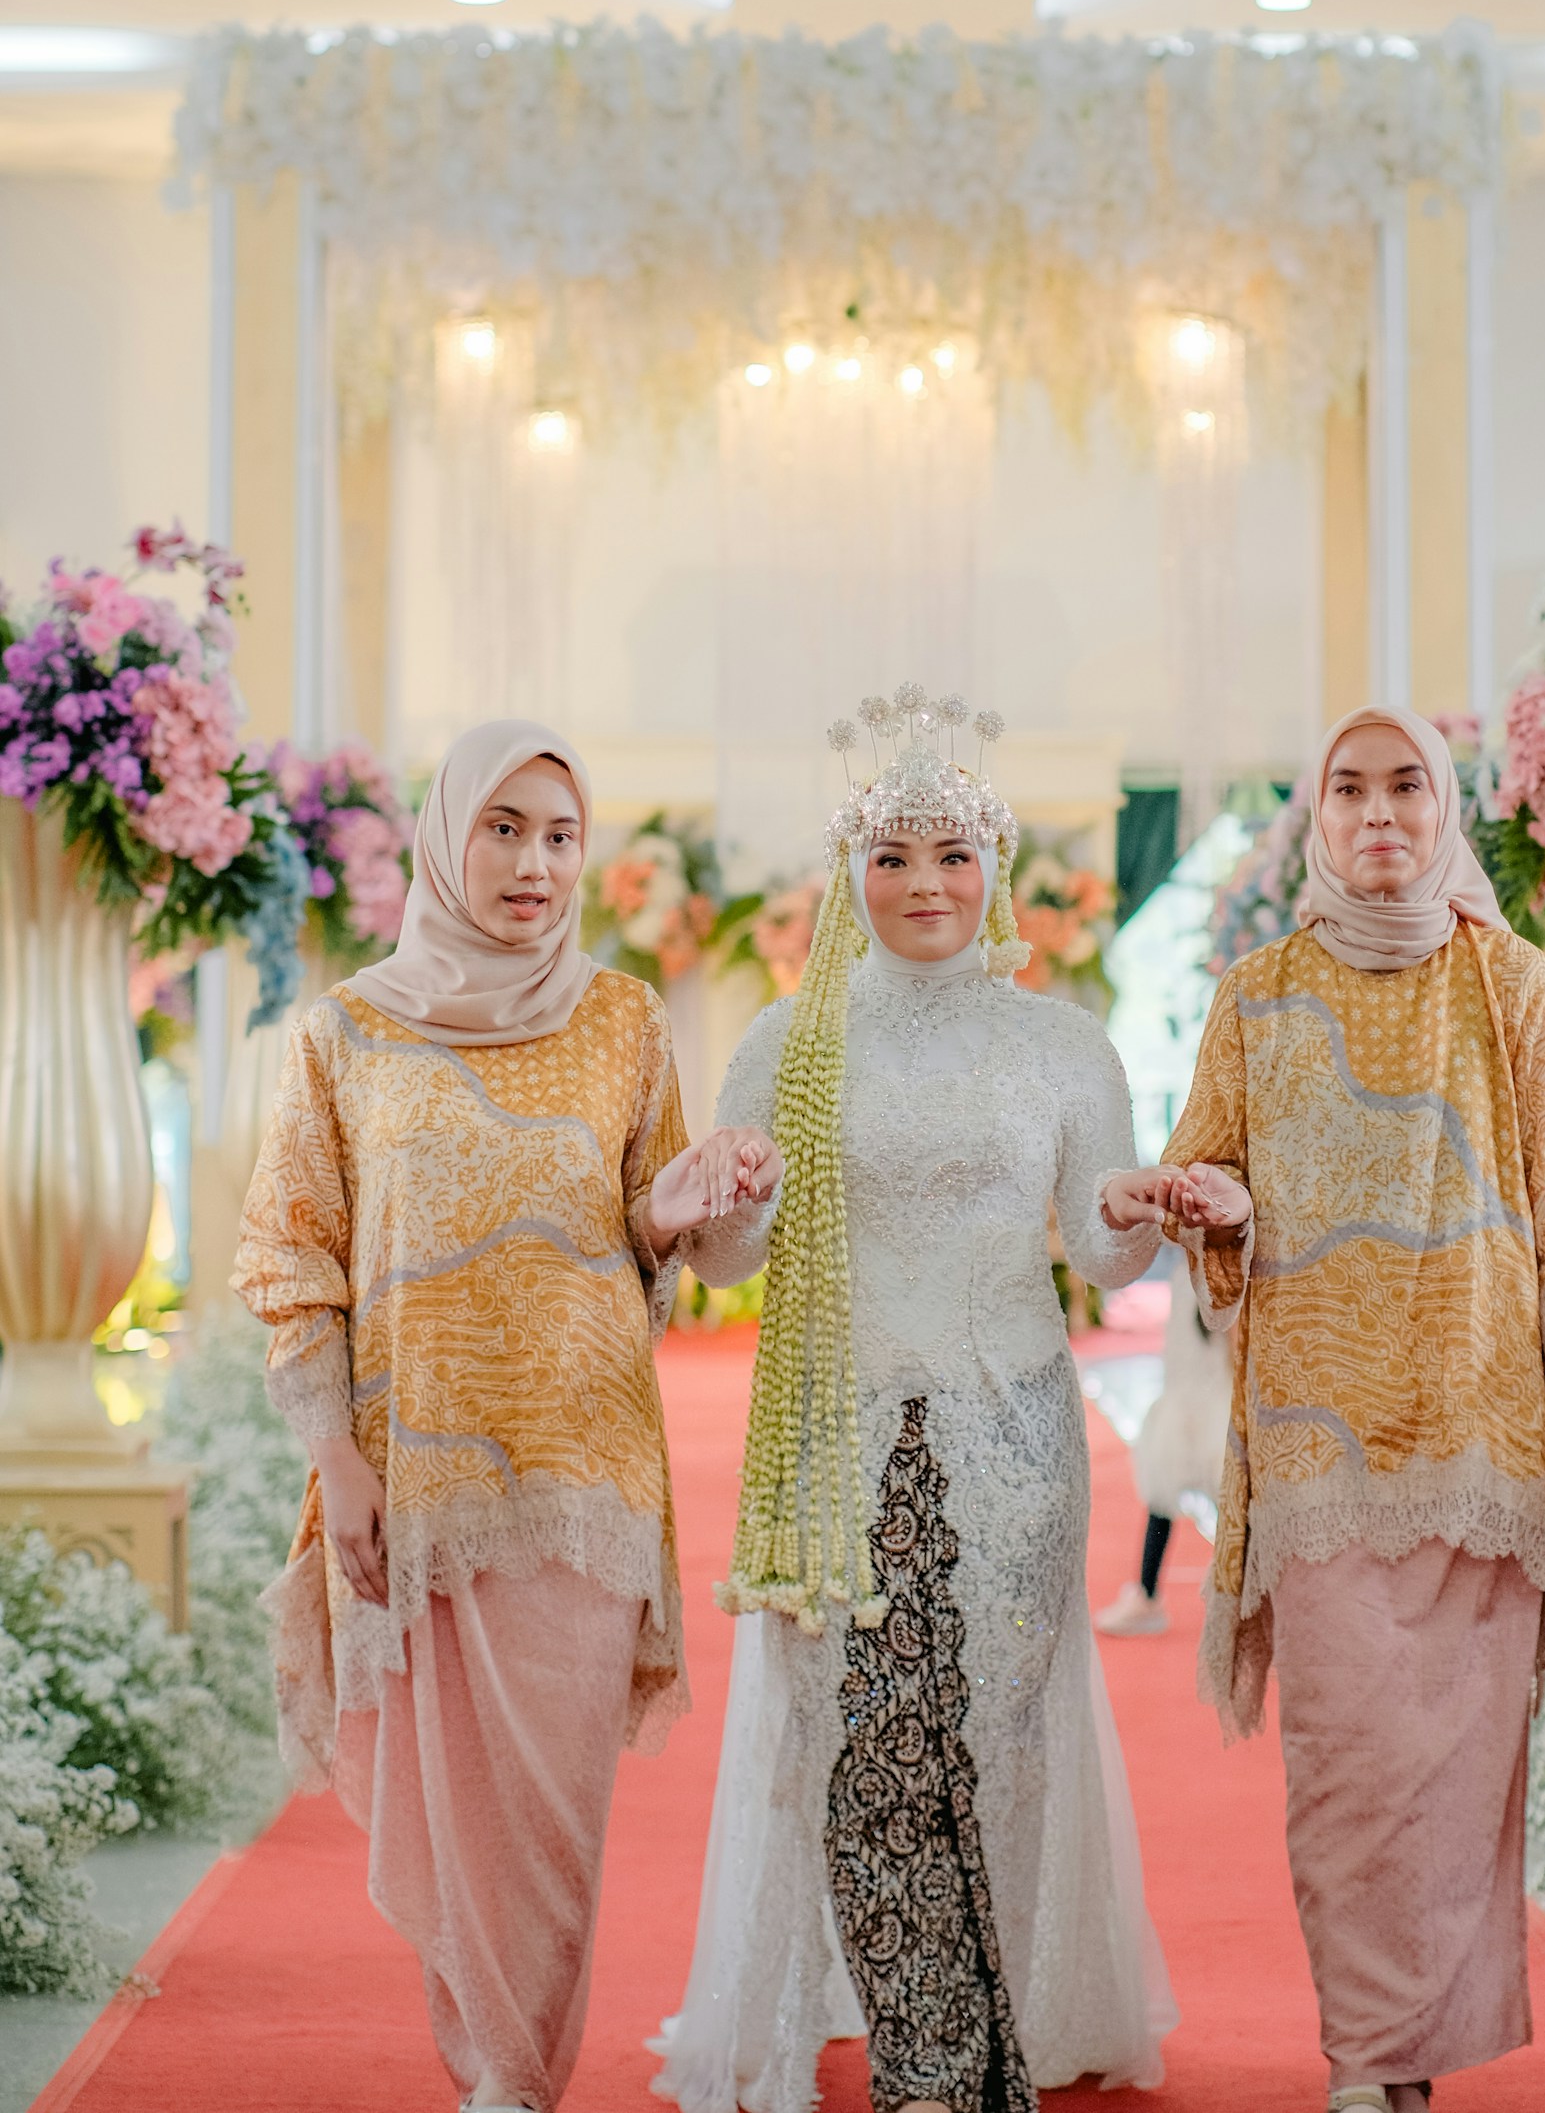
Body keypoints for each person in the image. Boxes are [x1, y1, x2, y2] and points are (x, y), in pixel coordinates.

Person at [235, 721, 781, 2113]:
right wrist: (337, 1461)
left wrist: (705, 1190)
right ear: (446, 833)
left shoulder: (624, 1016)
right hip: (414, 1478)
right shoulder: (345, 1029)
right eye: (505, 826)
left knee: (549, 1819)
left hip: (583, 1469)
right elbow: (293, 1255)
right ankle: (496, 2073)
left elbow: (658, 1220)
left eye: (559, 834)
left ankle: (512, 2080)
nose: (534, 861)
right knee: (450, 1802)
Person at [653, 692, 1179, 2113]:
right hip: (835, 1435)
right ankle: (926, 2050)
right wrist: (720, 1202)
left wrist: (1139, 1205)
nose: (925, 883)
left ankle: (986, 2006)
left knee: (993, 1732)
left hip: (1011, 1435)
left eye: (952, 851)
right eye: (892, 855)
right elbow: (730, 1261)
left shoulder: (1066, 1048)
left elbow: (1104, 1243)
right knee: (865, 1730)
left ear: (995, 866)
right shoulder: (787, 1039)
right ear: (850, 873)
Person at [1158, 705, 1545, 2113]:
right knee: (1350, 1766)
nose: (1378, 811)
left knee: (1454, 1770)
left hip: (1484, 1441)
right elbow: (1202, 1178)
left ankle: (1404, 2053)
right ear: (1315, 810)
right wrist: (1210, 1207)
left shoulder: (1515, 986)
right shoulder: (1257, 991)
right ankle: (1368, 2052)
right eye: (1349, 786)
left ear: (1444, 806)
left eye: (1405, 783)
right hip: (1318, 1444)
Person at [1094, 1277, 1233, 1638]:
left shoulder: (1219, 1276)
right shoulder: (1190, 1278)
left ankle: (1250, 1611)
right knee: (1167, 1494)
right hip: (1186, 1394)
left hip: (1213, 1397)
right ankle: (1147, 1592)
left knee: (1227, 1506)